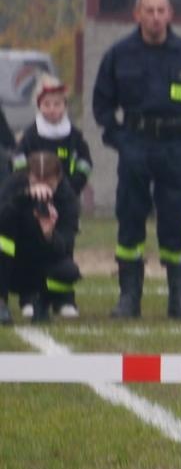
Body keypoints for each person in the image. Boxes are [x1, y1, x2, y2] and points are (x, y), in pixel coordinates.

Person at [92, 0, 181, 322]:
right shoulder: (119, 54)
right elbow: (102, 104)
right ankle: (129, 297)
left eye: (162, 11)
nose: (156, 18)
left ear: (170, 14)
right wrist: (120, 140)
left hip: (178, 148)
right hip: (136, 146)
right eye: (149, 11)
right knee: (130, 220)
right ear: (137, 14)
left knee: (176, 222)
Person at [12, 75, 92, 318]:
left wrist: (72, 186)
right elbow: (18, 164)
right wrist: (30, 189)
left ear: (65, 106)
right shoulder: (30, 136)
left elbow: (85, 163)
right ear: (39, 106)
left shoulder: (74, 136)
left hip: (65, 201)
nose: (52, 110)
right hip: (33, 204)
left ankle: (64, 300)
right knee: (28, 248)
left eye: (57, 104)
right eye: (47, 104)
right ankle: (29, 297)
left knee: (64, 250)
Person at [0, 152, 81, 327]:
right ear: (28, 175)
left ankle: (42, 302)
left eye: (49, 182)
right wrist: (23, 198)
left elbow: (65, 247)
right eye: (37, 180)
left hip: (40, 262)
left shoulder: (67, 199)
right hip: (9, 263)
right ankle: (1, 302)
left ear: (58, 178)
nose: (43, 188)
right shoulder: (13, 186)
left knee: (68, 271)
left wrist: (49, 234)